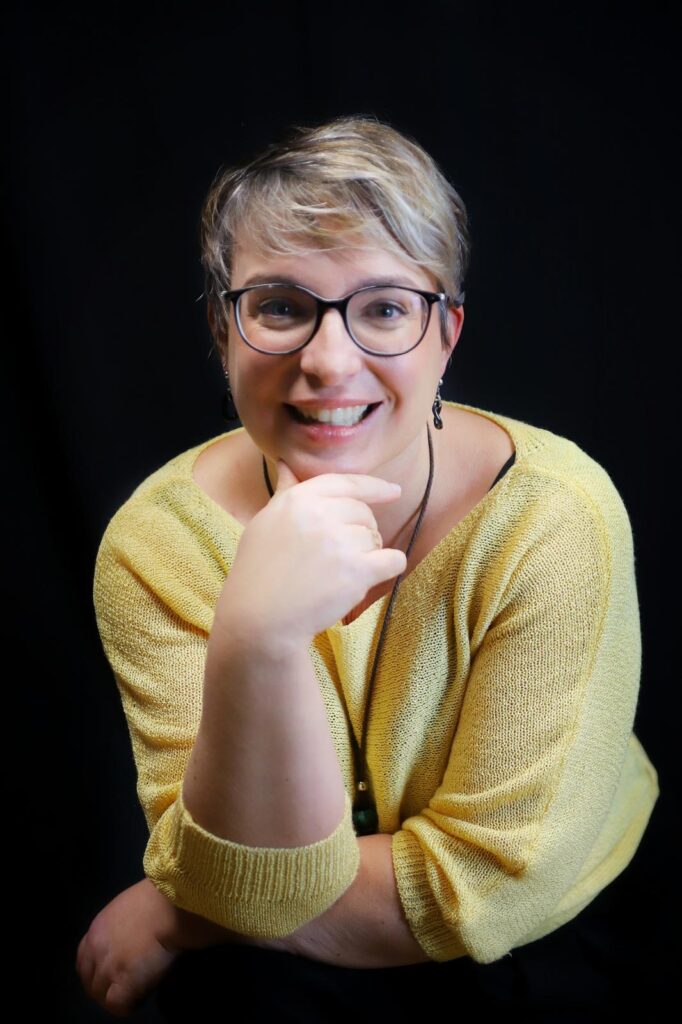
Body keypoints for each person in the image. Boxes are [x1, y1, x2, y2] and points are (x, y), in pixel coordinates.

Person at [76, 114, 659, 1021]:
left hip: (547, 951)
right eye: (280, 306)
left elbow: (492, 885)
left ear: (447, 335)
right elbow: (226, 865)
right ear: (223, 330)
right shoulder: (156, 544)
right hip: (282, 980)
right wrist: (256, 636)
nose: (327, 361)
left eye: (384, 309)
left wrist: (186, 912)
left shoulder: (556, 517)